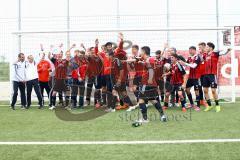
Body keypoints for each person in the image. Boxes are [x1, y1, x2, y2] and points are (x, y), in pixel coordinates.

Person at [136, 46, 166, 123]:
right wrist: (141, 62)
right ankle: (162, 116)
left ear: (144, 52)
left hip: (145, 84)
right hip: (151, 84)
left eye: (141, 51)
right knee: (153, 100)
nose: (140, 53)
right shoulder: (147, 60)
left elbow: (150, 65)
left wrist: (142, 62)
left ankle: (145, 119)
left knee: (141, 100)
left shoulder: (150, 59)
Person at [202, 42, 231, 112]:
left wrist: (227, 50)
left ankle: (217, 105)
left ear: (211, 48)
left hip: (212, 75)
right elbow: (202, 60)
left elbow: (223, 53)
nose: (206, 48)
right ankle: (209, 105)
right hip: (205, 75)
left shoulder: (215, 54)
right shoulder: (204, 55)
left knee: (213, 91)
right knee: (205, 90)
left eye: (207, 47)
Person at [180, 46, 201, 111]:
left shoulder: (197, 57)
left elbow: (194, 66)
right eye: (189, 50)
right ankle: (192, 104)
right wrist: (181, 63)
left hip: (196, 77)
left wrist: (185, 63)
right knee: (187, 89)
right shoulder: (189, 58)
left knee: (196, 91)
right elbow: (186, 65)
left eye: (191, 50)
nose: (190, 51)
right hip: (191, 77)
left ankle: (198, 106)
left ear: (195, 50)